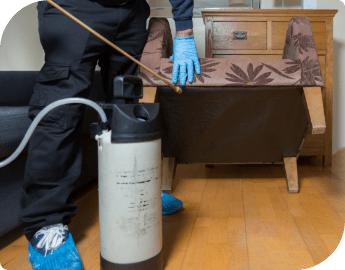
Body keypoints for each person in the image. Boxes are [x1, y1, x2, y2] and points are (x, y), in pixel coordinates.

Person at [19, 0, 201, 269]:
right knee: (61, 107)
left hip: (131, 10)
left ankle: (131, 190)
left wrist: (185, 30)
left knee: (125, 100)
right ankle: (45, 224)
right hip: (74, 6)